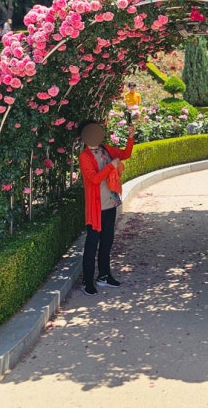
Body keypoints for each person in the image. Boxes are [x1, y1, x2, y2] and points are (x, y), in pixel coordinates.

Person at [78, 118, 135, 295]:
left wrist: (131, 137)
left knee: (107, 241)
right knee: (92, 243)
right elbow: (94, 178)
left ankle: (104, 275)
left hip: (110, 203)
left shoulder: (106, 149)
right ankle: (87, 281)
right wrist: (111, 166)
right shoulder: (84, 156)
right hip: (96, 208)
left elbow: (125, 154)